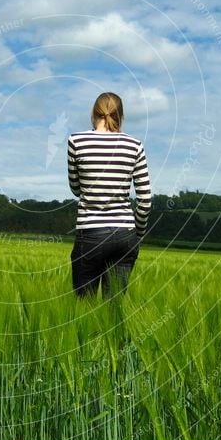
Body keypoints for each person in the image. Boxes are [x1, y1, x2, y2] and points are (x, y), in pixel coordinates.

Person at [67, 92, 152, 298]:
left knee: (83, 309)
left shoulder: (76, 141)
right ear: (120, 116)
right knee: (114, 311)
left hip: (91, 234)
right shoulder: (135, 145)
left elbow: (76, 189)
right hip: (125, 235)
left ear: (93, 113)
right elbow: (145, 200)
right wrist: (136, 235)